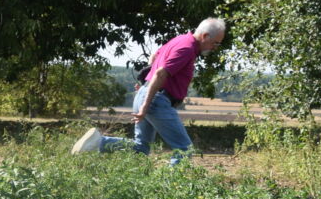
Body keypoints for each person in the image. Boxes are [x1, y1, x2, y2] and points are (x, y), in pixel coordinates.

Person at [71, 18, 226, 164]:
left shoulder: (180, 40)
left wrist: (147, 86)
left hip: (147, 95)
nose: (215, 48)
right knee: (184, 149)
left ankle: (99, 142)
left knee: (140, 147)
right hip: (156, 101)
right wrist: (147, 103)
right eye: (216, 43)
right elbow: (160, 73)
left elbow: (154, 57)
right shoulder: (187, 48)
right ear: (205, 35)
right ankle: (173, 188)